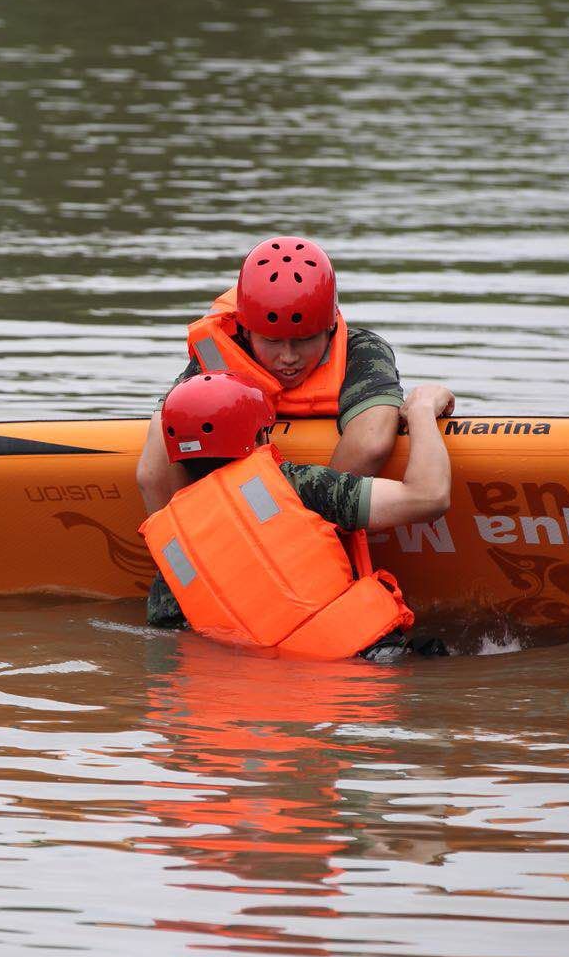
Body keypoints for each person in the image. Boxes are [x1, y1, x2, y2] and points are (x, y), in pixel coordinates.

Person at [139, 371, 456, 661]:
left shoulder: (170, 551)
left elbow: (172, 650)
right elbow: (428, 497)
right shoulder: (296, 485)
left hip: (264, 690)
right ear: (262, 437)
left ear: (175, 458)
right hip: (369, 663)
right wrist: (422, 409)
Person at [136, 236, 404, 515]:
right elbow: (154, 473)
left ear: (331, 327)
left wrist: (299, 524)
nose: (289, 357)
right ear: (245, 331)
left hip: (306, 523)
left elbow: (370, 444)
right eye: (272, 342)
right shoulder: (219, 352)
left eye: (305, 340)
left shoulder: (362, 350)